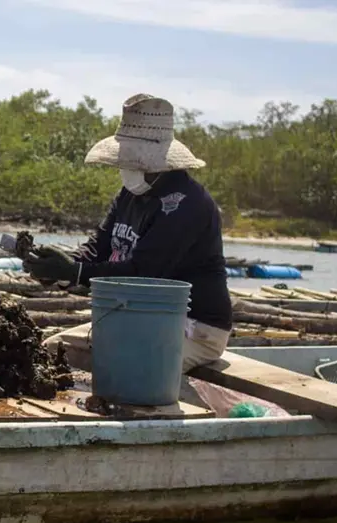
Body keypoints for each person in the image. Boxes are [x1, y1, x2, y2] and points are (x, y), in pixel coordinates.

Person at [23, 93, 232, 376]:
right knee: (51, 351)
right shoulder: (130, 194)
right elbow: (98, 248)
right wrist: (57, 268)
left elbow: (143, 275)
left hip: (193, 327)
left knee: (129, 373)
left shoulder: (187, 204)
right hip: (135, 318)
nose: (125, 169)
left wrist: (76, 272)